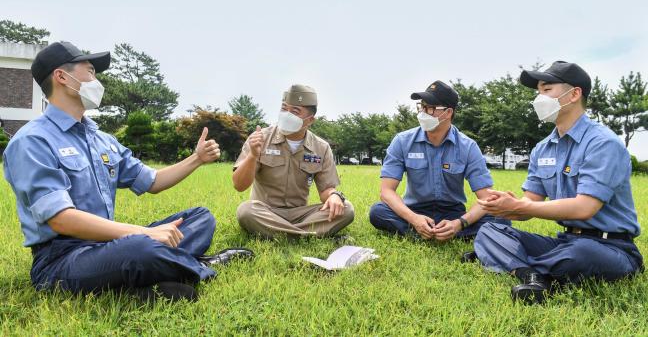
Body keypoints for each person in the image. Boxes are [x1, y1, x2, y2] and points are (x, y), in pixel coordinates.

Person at [3, 41, 253, 302]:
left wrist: (197, 159)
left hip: (109, 245)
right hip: (63, 258)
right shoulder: (32, 141)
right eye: (90, 71)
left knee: (200, 219)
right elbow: (60, 219)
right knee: (140, 247)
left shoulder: (102, 139)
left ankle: (147, 276)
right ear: (62, 77)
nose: (95, 79)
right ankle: (201, 266)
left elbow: (152, 181)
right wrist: (143, 233)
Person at [472, 61, 643, 304]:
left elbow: (585, 208)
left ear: (574, 94)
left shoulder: (602, 143)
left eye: (547, 89)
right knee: (490, 230)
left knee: (581, 254)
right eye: (538, 91)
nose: (539, 97)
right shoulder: (542, 149)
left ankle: (507, 260)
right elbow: (528, 205)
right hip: (566, 240)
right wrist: (507, 205)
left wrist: (521, 207)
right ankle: (532, 276)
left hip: (610, 247)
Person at [369, 81, 510, 243]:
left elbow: (486, 199)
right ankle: (425, 232)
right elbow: (386, 192)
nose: (423, 113)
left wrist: (459, 223)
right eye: (422, 107)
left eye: (430, 108)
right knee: (377, 211)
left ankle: (442, 233)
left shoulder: (468, 147)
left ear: (448, 112)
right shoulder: (402, 141)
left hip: (452, 213)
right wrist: (414, 219)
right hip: (414, 210)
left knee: (501, 217)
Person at [233, 85, 354, 239]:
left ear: (310, 120)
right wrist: (252, 155)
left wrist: (334, 196)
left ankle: (283, 234)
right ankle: (306, 236)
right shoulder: (260, 138)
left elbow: (326, 190)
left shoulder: (321, 148)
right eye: (284, 108)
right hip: (266, 211)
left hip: (300, 214)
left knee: (346, 208)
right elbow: (239, 185)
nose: (286, 114)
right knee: (245, 211)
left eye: (295, 111)